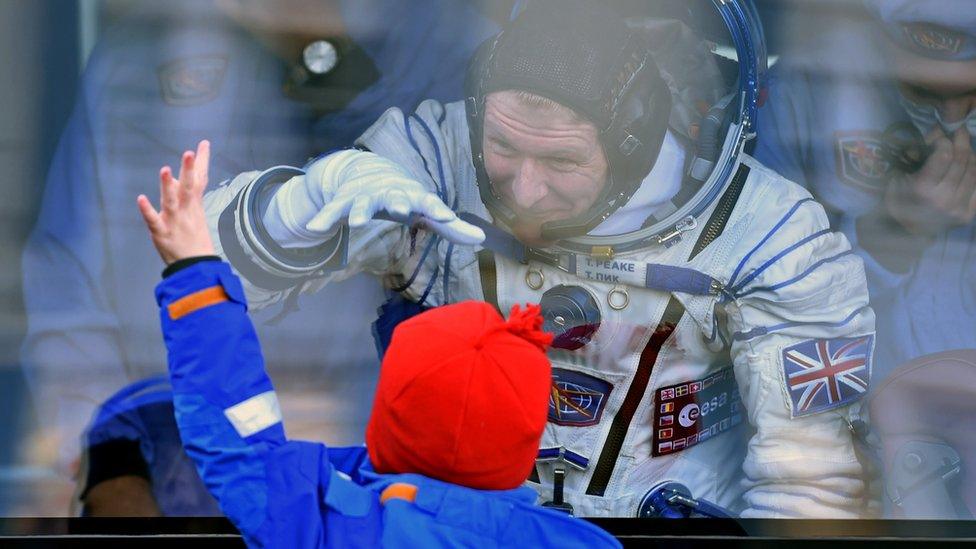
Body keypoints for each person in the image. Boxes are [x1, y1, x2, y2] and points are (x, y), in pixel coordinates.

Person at [193, 0, 877, 517]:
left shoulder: (770, 236)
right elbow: (206, 266)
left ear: (633, 143)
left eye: (560, 162)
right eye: (505, 151)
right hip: (457, 526)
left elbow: (809, 484)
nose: (523, 190)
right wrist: (296, 207)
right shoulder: (436, 157)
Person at [20, 0, 497, 515]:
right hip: (172, 477)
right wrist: (111, 464)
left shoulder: (450, 44)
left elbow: (470, 285)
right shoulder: (144, 52)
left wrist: (319, 47)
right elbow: (70, 285)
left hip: (365, 485)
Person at [136, 141, 620, 547]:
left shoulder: (336, 524)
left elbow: (237, 437)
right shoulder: (581, 543)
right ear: (529, 433)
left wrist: (194, 272)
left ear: (390, 408)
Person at [753, 0, 976, 381]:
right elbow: (758, 302)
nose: (952, 120)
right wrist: (895, 230)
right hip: (856, 403)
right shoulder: (802, 93)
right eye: (925, 91)